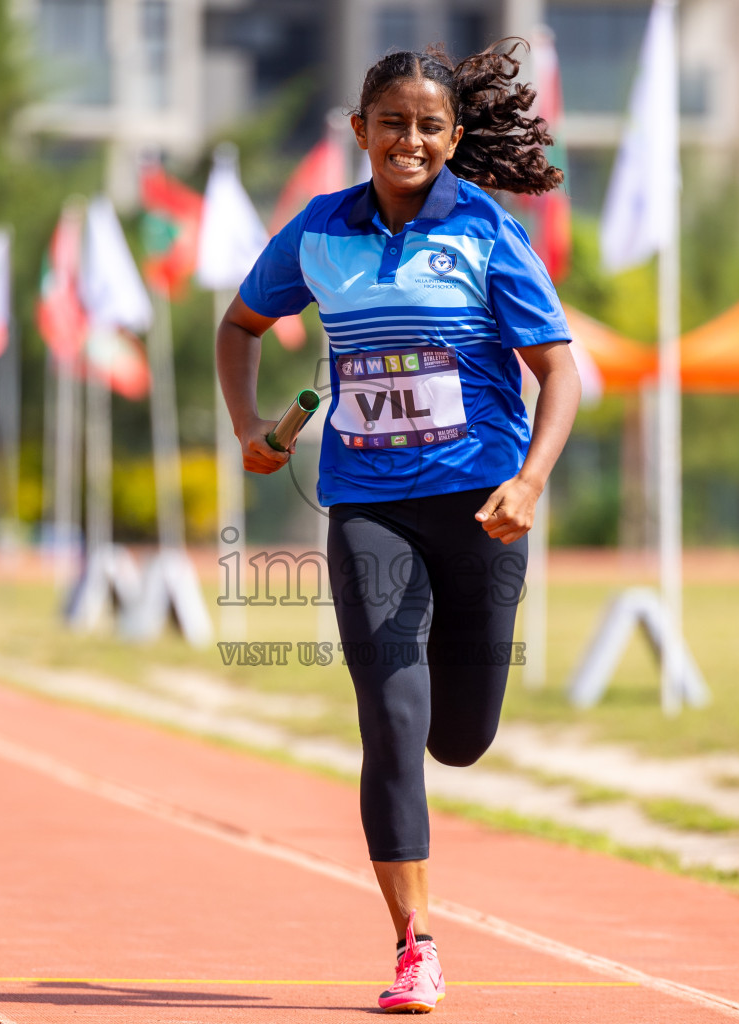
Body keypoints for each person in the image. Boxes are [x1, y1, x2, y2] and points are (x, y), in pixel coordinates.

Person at [215, 40, 580, 1014]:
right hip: (368, 506)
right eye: (392, 123)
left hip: (481, 510)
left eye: (428, 125)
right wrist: (251, 425)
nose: (409, 139)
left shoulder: (489, 235)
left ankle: (435, 803)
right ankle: (414, 944)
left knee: (459, 737)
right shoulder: (320, 232)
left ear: (453, 137)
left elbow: (562, 371)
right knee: (391, 717)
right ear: (360, 131)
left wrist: (531, 481)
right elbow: (240, 325)